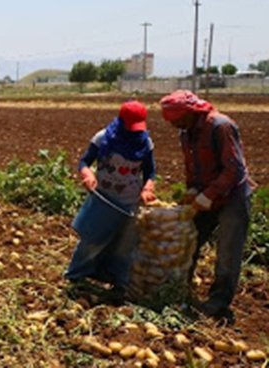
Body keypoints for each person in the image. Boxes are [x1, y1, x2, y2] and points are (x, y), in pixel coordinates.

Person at [160, 90, 254, 320]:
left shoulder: (220, 126)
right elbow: (193, 167)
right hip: (206, 195)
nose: (174, 125)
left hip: (233, 196)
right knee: (189, 240)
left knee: (227, 252)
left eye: (177, 120)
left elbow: (234, 169)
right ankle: (181, 290)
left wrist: (207, 196)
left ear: (190, 113)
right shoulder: (186, 133)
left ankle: (218, 302)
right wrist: (193, 190)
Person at [65, 100, 157, 293]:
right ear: (121, 121)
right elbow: (84, 161)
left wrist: (148, 188)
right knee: (93, 239)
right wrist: (87, 174)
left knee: (125, 243)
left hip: (131, 201)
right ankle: (77, 275)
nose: (134, 132)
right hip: (105, 198)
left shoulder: (145, 142)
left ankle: (117, 281)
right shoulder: (103, 138)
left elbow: (150, 172)